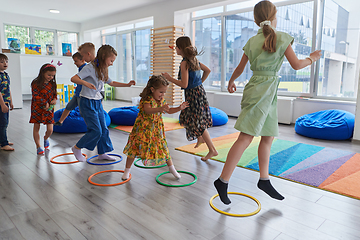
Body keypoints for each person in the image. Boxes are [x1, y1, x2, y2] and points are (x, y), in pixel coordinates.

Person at [214, 0, 322, 204]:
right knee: (245, 137)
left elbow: (239, 68)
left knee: (268, 136)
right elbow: (297, 65)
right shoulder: (282, 37)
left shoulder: (252, 41)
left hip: (263, 89)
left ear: (256, 20)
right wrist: (313, 58)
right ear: (274, 17)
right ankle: (223, 180)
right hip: (263, 90)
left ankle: (264, 179)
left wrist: (231, 81)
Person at [71, 44, 135, 162]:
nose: (111, 63)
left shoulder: (102, 69)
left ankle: (102, 153)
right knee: (96, 130)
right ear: (104, 56)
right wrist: (85, 83)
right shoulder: (89, 68)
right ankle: (77, 148)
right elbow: (74, 78)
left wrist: (127, 84)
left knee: (104, 129)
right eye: (111, 60)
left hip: (97, 102)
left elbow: (111, 82)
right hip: (87, 102)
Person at [122, 75, 189, 180]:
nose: (163, 95)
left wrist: (179, 108)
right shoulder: (147, 99)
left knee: (164, 148)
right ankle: (126, 171)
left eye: (164, 92)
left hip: (156, 130)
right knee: (134, 149)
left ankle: (172, 168)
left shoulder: (161, 100)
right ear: (152, 89)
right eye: (161, 92)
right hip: (143, 129)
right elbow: (147, 110)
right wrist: (160, 108)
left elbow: (169, 110)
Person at [162, 36, 218, 161]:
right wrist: (199, 83)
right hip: (199, 92)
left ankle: (212, 150)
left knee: (196, 121)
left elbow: (184, 84)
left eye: (176, 47)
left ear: (180, 48)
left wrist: (169, 78)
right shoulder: (194, 60)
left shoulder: (184, 63)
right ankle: (200, 139)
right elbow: (207, 70)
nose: (175, 49)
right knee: (193, 117)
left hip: (193, 94)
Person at [29, 64, 57, 155]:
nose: (51, 77)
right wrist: (44, 102)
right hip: (37, 108)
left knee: (50, 129)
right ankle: (38, 146)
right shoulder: (36, 83)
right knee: (36, 127)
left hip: (49, 110)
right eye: (49, 75)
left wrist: (54, 99)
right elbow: (35, 96)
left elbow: (55, 94)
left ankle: (46, 138)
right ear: (42, 73)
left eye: (53, 75)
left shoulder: (52, 83)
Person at [54, 52, 86, 126]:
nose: (75, 63)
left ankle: (89, 126)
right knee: (69, 107)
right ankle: (60, 121)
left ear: (82, 60)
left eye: (76, 61)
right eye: (74, 61)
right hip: (77, 93)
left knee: (83, 112)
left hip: (82, 94)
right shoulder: (80, 68)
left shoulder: (85, 69)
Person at [0, 53, 14, 151]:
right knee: (3, 123)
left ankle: (2, 140)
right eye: (2, 62)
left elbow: (8, 89)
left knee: (5, 122)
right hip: (1, 103)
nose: (5, 63)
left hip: (6, 102)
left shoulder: (5, 75)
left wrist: (11, 102)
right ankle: (4, 143)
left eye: (6, 61)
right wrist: (3, 104)